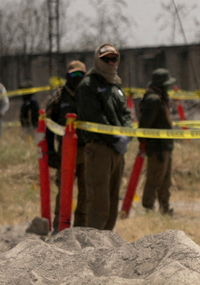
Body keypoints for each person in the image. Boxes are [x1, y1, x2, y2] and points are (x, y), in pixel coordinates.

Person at [75, 44, 133, 230]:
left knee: (112, 201)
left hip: (117, 152)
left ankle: (108, 241)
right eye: (106, 59)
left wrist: (127, 134)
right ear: (97, 61)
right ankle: (94, 242)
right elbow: (94, 117)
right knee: (98, 201)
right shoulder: (89, 85)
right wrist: (115, 137)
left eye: (113, 59)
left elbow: (126, 114)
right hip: (99, 148)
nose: (110, 62)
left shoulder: (116, 86)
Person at [45, 60, 89, 230]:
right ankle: (60, 227)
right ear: (67, 76)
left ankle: (81, 227)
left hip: (87, 149)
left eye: (80, 74)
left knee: (86, 190)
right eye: (73, 74)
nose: (77, 78)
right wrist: (50, 151)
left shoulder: (90, 95)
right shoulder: (59, 97)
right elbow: (49, 125)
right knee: (64, 189)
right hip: (65, 151)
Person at [138, 68, 176, 216]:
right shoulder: (153, 100)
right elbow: (144, 125)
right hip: (157, 147)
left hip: (165, 145)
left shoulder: (161, 98)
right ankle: (148, 208)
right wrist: (145, 143)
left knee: (165, 181)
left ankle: (165, 208)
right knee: (154, 179)